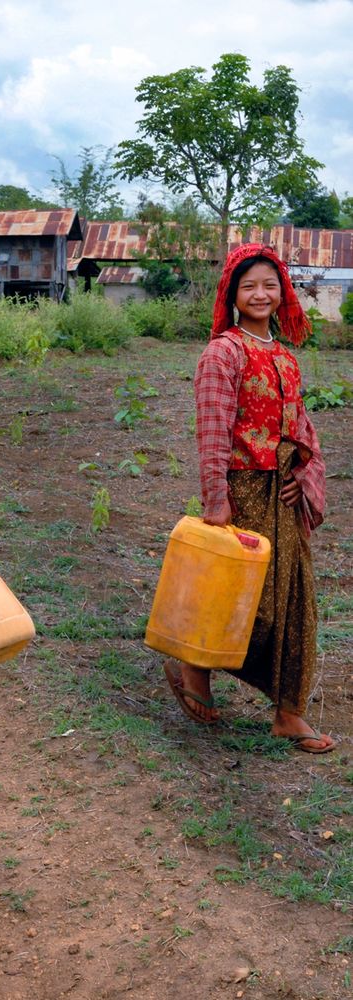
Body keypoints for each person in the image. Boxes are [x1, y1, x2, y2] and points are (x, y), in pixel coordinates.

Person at [163, 243, 336, 753]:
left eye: (269, 284)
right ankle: (195, 670)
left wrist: (303, 474)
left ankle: (288, 713)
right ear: (232, 295)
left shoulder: (283, 354)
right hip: (241, 491)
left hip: (281, 494)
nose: (260, 294)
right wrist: (217, 499)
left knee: (293, 602)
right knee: (241, 598)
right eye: (248, 286)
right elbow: (213, 429)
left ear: (282, 291)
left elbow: (301, 426)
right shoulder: (225, 351)